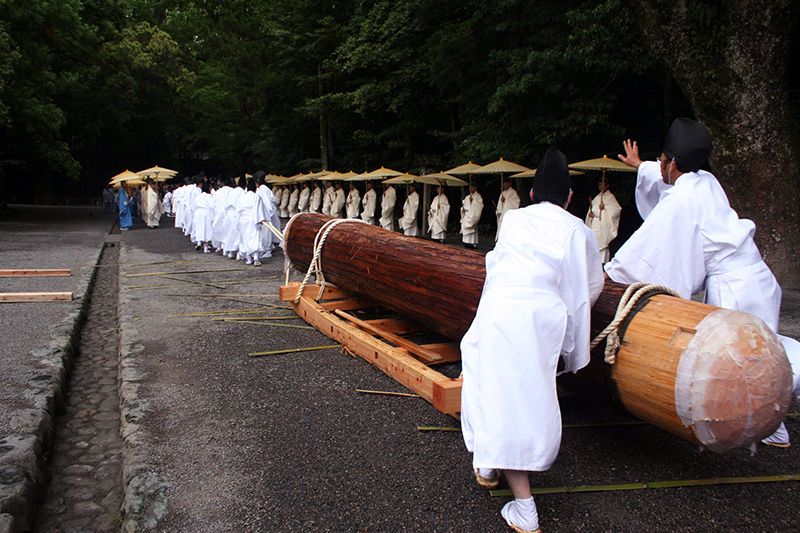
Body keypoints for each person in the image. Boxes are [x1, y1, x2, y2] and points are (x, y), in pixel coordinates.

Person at [609, 117, 796, 446]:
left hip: (735, 290)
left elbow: (650, 248)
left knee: (750, 361)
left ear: (673, 163)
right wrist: (641, 166)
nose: (660, 165)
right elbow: (669, 178)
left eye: (663, 160)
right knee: (764, 351)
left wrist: (613, 273)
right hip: (758, 277)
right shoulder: (706, 181)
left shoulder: (682, 203)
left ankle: (770, 419)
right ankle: (772, 424)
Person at [461, 147, 604, 533]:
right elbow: (588, 287)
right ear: (570, 198)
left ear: (532, 194)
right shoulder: (577, 229)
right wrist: (571, 341)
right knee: (515, 394)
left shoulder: (513, 220)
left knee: (496, 388)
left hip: (498, 310)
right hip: (538, 317)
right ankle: (491, 465)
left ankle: (523, 506)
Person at [585, 179, 621, 263]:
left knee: (601, 246)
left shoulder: (610, 197)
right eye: (599, 184)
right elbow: (592, 209)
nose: (601, 186)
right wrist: (591, 215)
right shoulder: (597, 197)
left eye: (602, 184)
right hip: (595, 223)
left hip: (603, 225)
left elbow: (616, 210)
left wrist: (605, 208)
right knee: (593, 244)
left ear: (607, 185)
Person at [236, 180, 270, 265]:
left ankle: (248, 258)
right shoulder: (256, 197)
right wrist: (261, 218)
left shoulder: (242, 197)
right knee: (254, 237)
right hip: (252, 219)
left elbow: (238, 210)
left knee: (245, 238)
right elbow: (259, 209)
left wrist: (238, 221)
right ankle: (255, 257)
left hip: (243, 220)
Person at [460, 183, 483, 248]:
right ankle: (466, 242)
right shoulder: (467, 197)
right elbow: (464, 207)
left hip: (473, 215)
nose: (471, 189)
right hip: (467, 215)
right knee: (466, 231)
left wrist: (474, 201)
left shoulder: (478, 196)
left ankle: (472, 243)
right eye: (470, 187)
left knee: (472, 231)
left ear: (475, 188)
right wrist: (463, 209)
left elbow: (479, 206)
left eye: (472, 187)